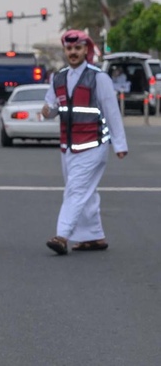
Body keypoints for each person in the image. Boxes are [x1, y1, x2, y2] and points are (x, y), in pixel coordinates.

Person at [41, 30, 128, 255]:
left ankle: (61, 236)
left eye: (77, 48)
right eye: (69, 49)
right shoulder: (58, 78)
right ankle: (94, 237)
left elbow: (112, 112)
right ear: (65, 51)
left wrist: (120, 145)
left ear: (86, 50)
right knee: (85, 193)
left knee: (75, 191)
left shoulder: (98, 78)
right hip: (68, 147)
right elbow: (51, 108)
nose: (73, 52)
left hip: (93, 145)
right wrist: (48, 111)